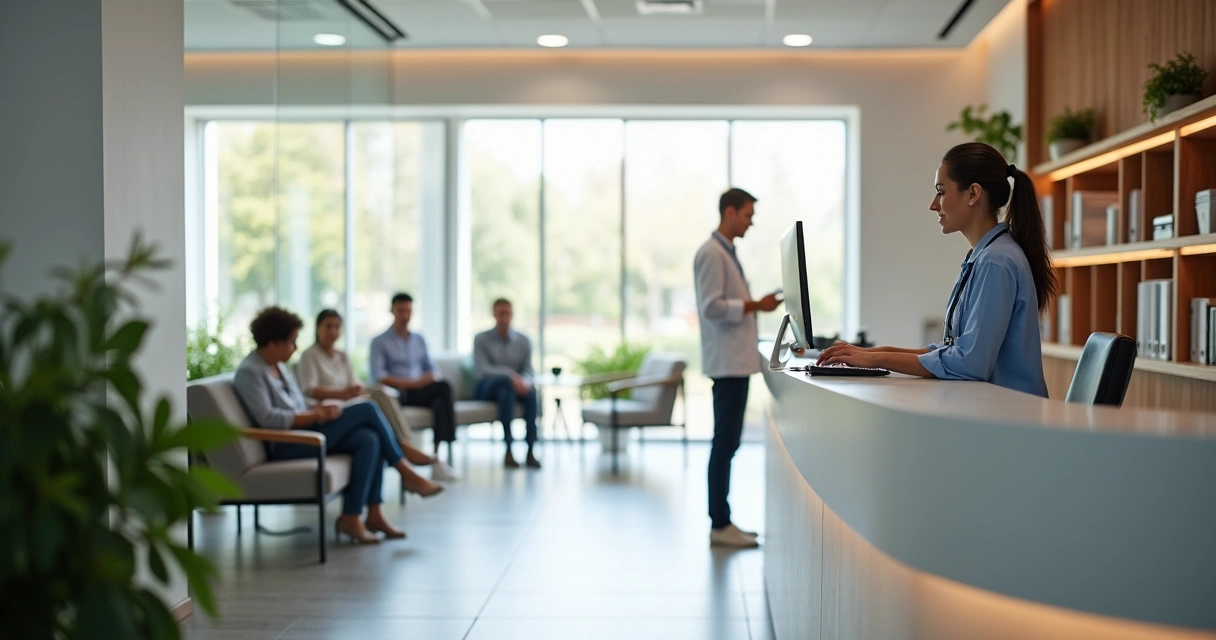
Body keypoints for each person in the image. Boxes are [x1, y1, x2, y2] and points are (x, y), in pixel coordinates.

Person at [817, 142, 1057, 398]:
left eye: (941, 192)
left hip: (1010, 420)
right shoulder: (985, 257)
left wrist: (878, 358)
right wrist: (871, 354)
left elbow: (970, 364)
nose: (934, 204)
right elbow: (953, 350)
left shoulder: (996, 262)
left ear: (973, 194)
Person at [232, 306, 444, 546]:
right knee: (367, 408)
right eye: (292, 342)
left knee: (368, 439)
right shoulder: (251, 372)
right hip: (288, 443)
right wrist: (315, 415)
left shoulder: (278, 366)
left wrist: (320, 409)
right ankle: (405, 467)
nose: (296, 347)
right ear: (273, 343)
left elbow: (300, 403)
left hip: (305, 430)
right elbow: (268, 420)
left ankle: (360, 516)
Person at [694, 187, 782, 549]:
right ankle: (720, 524)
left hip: (735, 362)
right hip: (727, 363)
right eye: (747, 215)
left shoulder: (724, 252)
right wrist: (754, 306)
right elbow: (711, 307)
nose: (750, 222)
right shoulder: (711, 254)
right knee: (725, 443)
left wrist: (753, 305)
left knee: (728, 442)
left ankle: (723, 521)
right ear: (729, 212)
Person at [297, 309, 458, 482]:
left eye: (337, 327)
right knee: (372, 411)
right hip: (332, 405)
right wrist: (342, 394)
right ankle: (406, 447)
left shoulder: (342, 356)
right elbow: (309, 390)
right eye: (328, 327)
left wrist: (355, 389)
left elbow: (354, 382)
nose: (333, 331)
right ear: (318, 328)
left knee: (383, 394)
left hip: (350, 400)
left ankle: (407, 447)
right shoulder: (309, 355)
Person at [370, 293, 458, 457]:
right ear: (392, 311)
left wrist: (428, 378)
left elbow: (432, 369)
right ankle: (444, 446)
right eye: (401, 310)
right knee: (441, 391)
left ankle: (436, 455)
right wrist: (413, 383)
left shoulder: (419, 339)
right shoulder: (380, 341)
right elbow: (379, 375)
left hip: (420, 391)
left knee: (441, 397)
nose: (405, 315)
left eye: (408, 311)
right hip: (398, 392)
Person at [472, 298, 541, 469]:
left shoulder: (524, 340)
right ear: (494, 314)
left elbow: (529, 370)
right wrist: (510, 376)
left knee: (525, 393)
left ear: (513, 315)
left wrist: (523, 381)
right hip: (487, 388)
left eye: (508, 313)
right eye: (501, 313)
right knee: (504, 383)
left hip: (511, 391)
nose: (504, 317)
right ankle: (509, 448)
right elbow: (483, 369)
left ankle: (530, 450)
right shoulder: (481, 339)